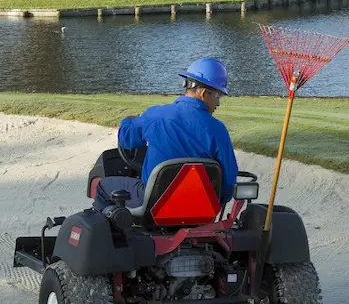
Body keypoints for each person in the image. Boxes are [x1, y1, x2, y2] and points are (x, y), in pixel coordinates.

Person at [92, 57, 239, 212]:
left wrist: (128, 121)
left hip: (153, 202)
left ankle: (111, 230)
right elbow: (229, 178)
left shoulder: (155, 115)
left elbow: (127, 139)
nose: (218, 103)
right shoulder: (218, 129)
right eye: (218, 96)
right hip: (199, 206)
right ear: (204, 93)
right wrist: (217, 202)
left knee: (102, 187)